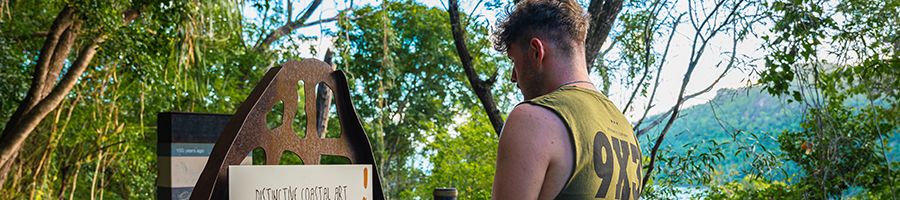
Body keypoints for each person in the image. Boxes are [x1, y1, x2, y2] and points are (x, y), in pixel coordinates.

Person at [491, 0, 643, 199]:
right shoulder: (625, 130)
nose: (513, 76)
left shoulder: (533, 119)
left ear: (537, 51)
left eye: (514, 61)